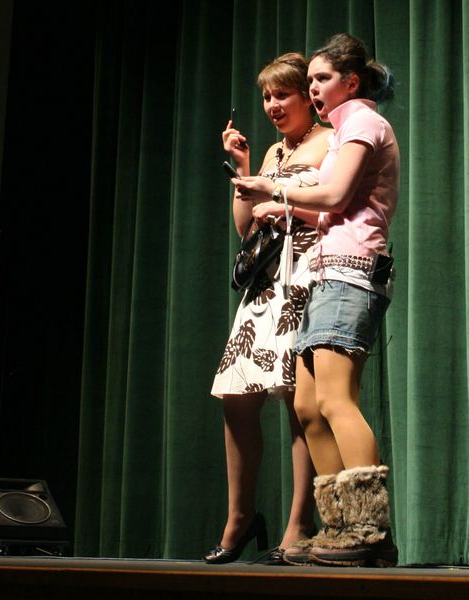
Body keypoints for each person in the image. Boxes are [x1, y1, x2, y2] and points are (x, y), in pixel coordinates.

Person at [232, 33, 400, 567]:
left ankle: (371, 532)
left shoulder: (364, 125)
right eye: (311, 82)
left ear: (351, 82)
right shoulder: (349, 127)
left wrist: (272, 191)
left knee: (333, 400)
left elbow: (331, 196)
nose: (313, 88)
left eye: (321, 80)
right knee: (306, 405)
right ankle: (339, 529)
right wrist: (275, 205)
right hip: (329, 271)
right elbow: (326, 211)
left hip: (353, 272)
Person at [204, 53, 332, 565]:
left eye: (283, 94)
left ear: (308, 97)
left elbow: (334, 203)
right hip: (264, 286)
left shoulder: (329, 142)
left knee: (300, 403)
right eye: (266, 97)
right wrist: (244, 165)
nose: (273, 105)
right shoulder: (276, 151)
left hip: (307, 274)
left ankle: (299, 524)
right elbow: (245, 229)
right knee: (236, 396)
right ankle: (241, 516)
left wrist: (277, 198)